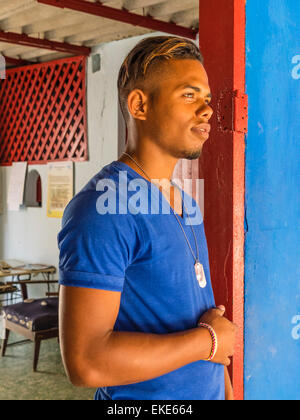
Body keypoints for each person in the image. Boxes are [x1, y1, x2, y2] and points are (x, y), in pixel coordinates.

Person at [58, 36, 237, 401]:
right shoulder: (102, 208)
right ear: (140, 104)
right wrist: (210, 340)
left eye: (206, 99)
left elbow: (206, 322)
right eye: (189, 95)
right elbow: (85, 362)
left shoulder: (186, 203)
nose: (206, 110)